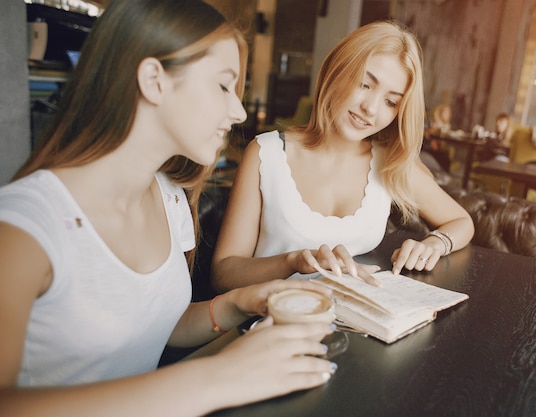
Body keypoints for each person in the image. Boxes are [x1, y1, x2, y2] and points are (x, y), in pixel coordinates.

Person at [0, 1, 337, 416]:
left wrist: (240, 302)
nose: (239, 111)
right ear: (154, 80)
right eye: (223, 86)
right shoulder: (23, 226)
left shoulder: (169, 197)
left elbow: (156, 325)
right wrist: (215, 378)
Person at [211, 20, 475, 293]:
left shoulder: (390, 163)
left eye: (391, 102)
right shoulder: (266, 154)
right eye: (364, 84)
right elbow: (224, 273)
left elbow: (462, 222)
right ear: (336, 71)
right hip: (267, 320)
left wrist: (434, 243)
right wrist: (292, 261)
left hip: (351, 326)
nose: (370, 108)